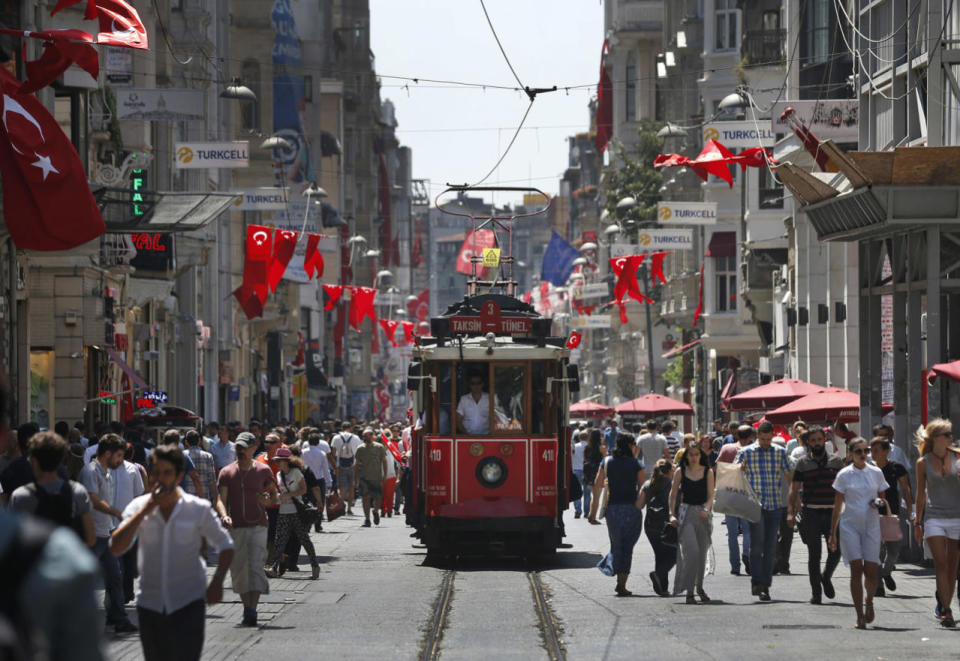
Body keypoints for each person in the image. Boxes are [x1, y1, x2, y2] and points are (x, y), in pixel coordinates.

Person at [110, 445, 234, 661]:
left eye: (167, 473)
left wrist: (217, 581)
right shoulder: (138, 507)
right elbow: (116, 547)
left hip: (189, 603)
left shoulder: (197, 508)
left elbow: (225, 545)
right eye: (156, 473)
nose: (160, 479)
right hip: (151, 604)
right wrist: (144, 512)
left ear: (178, 477)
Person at [217, 432, 278, 627]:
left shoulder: (263, 470)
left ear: (253, 448)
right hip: (237, 527)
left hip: (259, 525)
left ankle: (252, 608)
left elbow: (274, 496)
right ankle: (247, 608)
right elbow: (220, 499)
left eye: (245, 447)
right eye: (238, 448)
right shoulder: (226, 472)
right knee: (240, 570)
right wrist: (224, 514)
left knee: (255, 567)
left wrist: (267, 500)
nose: (241, 451)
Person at [79, 433, 138, 633]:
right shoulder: (90, 471)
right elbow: (93, 500)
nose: (121, 460)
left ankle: (118, 618)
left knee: (115, 577)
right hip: (92, 535)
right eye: (119, 455)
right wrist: (117, 513)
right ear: (108, 453)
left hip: (106, 532)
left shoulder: (106, 472)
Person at [829, 438, 890, 629]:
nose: (863, 454)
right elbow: (838, 505)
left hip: (871, 526)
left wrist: (878, 503)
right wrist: (833, 533)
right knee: (856, 569)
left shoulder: (876, 472)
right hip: (850, 526)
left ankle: (869, 601)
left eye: (866, 450)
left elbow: (882, 498)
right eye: (858, 451)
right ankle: (859, 614)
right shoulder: (844, 475)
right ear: (851, 453)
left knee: (871, 570)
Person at [735, 420, 792, 601]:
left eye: (769, 439)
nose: (767, 442)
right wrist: (740, 469)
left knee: (770, 548)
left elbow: (790, 476)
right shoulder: (746, 452)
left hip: (775, 505)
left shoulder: (780, 453)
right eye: (763, 439)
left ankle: (765, 585)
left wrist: (793, 499)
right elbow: (734, 473)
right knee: (756, 545)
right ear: (757, 436)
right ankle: (756, 581)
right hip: (755, 505)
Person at [9, 430, 95, 547]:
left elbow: (12, 540)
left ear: (34, 461)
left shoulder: (19, 496)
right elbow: (90, 538)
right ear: (61, 459)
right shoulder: (78, 492)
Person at [789, 425, 843, 604]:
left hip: (832, 513)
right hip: (811, 512)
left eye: (819, 439)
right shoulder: (802, 463)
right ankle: (816, 593)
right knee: (814, 554)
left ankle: (826, 576)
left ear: (824, 440)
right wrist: (791, 511)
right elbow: (794, 488)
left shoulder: (836, 461)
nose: (817, 443)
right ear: (808, 443)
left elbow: (843, 487)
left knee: (836, 551)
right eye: (813, 440)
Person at [914, 418, 960, 627]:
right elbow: (920, 494)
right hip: (934, 517)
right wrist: (917, 522)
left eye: (950, 434)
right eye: (947, 435)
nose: (951, 438)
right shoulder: (923, 463)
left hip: (957, 516)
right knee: (940, 564)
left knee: (952, 567)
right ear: (935, 439)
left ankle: (944, 604)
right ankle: (947, 610)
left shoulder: (958, 457)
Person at [595, 434, 645, 596]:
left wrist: (609, 483)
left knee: (616, 544)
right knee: (628, 546)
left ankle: (613, 568)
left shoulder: (607, 462)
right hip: (631, 508)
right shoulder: (636, 463)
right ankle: (621, 583)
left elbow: (597, 483)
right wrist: (639, 505)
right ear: (631, 445)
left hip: (613, 509)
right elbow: (643, 487)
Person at [669, 440, 715, 604]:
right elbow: (673, 494)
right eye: (691, 455)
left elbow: (711, 495)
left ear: (700, 455)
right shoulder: (680, 471)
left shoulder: (707, 471)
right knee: (692, 552)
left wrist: (706, 509)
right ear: (686, 456)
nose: (694, 458)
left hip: (703, 514)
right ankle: (689, 591)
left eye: (697, 454)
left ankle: (699, 587)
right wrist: (671, 514)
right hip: (686, 513)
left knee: (701, 554)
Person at [266, 447, 320, 579]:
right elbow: (282, 493)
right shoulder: (279, 475)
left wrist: (288, 495)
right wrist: (276, 497)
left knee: (304, 540)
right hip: (284, 511)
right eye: (276, 461)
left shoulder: (296, 472)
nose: (277, 463)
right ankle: (273, 567)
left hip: (297, 512)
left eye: (279, 461)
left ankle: (314, 566)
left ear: (286, 461)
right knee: (280, 541)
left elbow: (303, 489)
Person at [870, 436, 913, 597]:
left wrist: (910, 510)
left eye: (877, 450)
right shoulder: (868, 469)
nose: (873, 454)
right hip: (872, 513)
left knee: (894, 550)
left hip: (891, 512)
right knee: (877, 551)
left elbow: (906, 489)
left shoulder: (897, 467)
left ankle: (886, 572)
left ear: (887, 451)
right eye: (871, 451)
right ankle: (878, 585)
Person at [717, 424, 753, 575]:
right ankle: (747, 555)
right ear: (751, 436)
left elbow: (719, 469)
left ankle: (735, 566)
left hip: (729, 493)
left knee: (732, 533)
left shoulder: (727, 448)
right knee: (748, 531)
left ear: (736, 435)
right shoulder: (754, 450)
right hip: (747, 494)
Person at [638, 459, 677, 596]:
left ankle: (662, 588)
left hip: (650, 525)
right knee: (674, 554)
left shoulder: (648, 484)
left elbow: (639, 505)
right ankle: (658, 574)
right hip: (668, 525)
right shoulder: (673, 485)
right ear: (669, 471)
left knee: (660, 555)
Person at [354, 427, 388, 527]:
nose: (364, 437)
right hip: (364, 477)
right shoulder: (360, 448)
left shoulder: (379, 447)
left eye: (366, 435)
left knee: (378, 498)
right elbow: (356, 464)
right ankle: (367, 519)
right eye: (363, 436)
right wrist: (356, 478)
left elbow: (384, 461)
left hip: (376, 477)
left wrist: (385, 475)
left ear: (372, 436)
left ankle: (376, 511)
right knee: (366, 498)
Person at [302, 432, 331, 531]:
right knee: (320, 502)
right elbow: (326, 469)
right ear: (318, 443)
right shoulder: (321, 453)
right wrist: (329, 482)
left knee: (307, 501)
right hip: (319, 479)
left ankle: (307, 523)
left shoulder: (303, 452)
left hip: (306, 479)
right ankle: (318, 524)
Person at [331, 422, 362, 515]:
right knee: (351, 487)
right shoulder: (356, 438)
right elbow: (359, 452)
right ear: (350, 428)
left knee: (341, 488)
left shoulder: (336, 437)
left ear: (341, 427)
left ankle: (341, 506)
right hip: (352, 465)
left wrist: (335, 462)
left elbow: (333, 452)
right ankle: (349, 508)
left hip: (340, 465)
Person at [184, 430, 217, 506]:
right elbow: (212, 480)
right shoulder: (208, 456)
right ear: (199, 442)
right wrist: (215, 499)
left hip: (187, 500)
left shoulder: (183, 456)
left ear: (186, 442)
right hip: (204, 500)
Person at [584, 429, 605, 524]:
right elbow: (606, 459)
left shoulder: (587, 447)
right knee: (597, 496)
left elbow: (585, 459)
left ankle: (590, 514)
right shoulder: (601, 448)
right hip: (598, 473)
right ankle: (592, 518)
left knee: (594, 495)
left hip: (588, 472)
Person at [571, 425, 586, 519]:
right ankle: (587, 511)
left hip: (576, 469)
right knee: (587, 492)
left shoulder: (574, 447)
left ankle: (578, 510)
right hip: (586, 470)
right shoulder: (589, 446)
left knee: (577, 491)